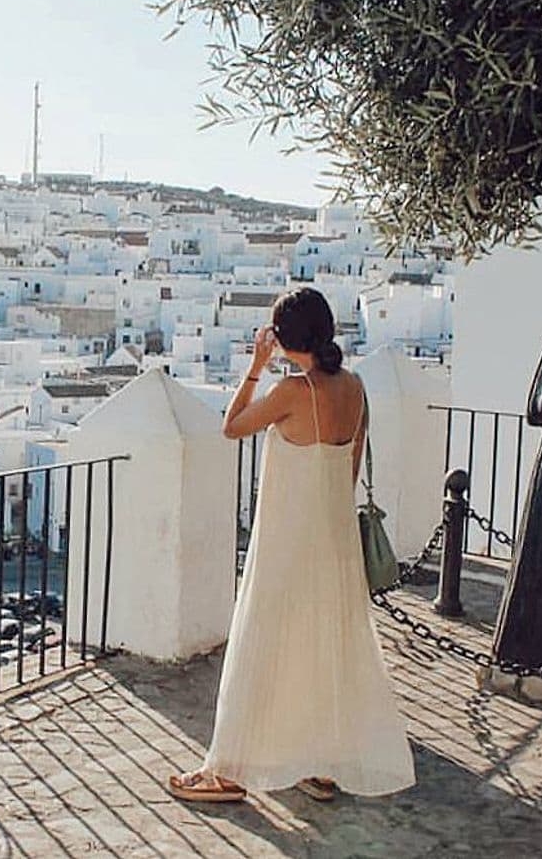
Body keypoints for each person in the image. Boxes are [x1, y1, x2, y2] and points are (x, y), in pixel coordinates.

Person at [168, 287, 415, 803]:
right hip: (334, 534)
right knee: (322, 644)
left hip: (287, 536)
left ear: (283, 338)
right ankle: (320, 763)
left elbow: (231, 426)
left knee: (263, 639)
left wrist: (257, 366)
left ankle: (229, 771)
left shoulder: (291, 392)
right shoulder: (355, 387)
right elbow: (351, 461)